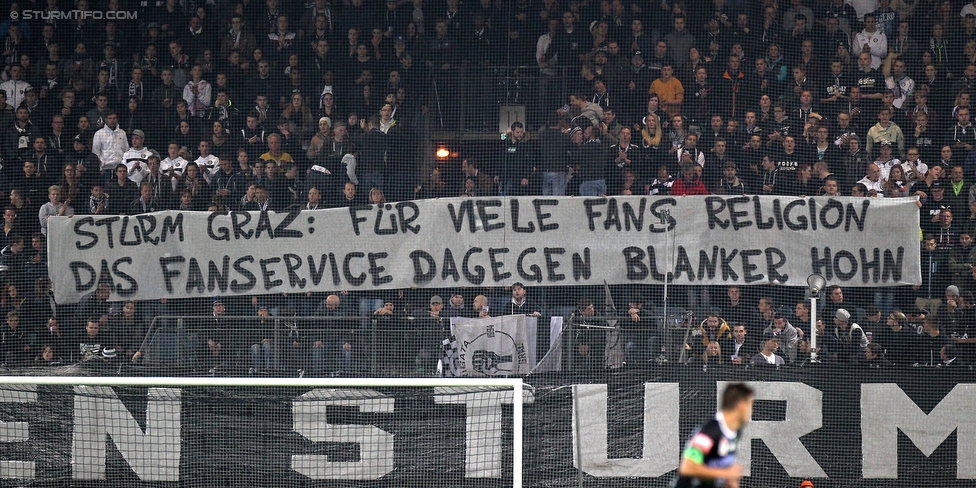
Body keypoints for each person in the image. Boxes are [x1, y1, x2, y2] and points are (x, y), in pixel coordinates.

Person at [673, 383, 753, 488]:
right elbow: (687, 468)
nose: (751, 411)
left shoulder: (735, 432)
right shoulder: (710, 432)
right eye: (750, 405)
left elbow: (721, 466)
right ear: (741, 406)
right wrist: (726, 473)